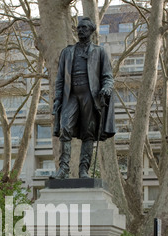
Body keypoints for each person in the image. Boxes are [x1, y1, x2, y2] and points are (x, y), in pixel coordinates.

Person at [51, 17, 115, 179]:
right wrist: (57, 100)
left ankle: (83, 170)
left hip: (90, 95)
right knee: (65, 128)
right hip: (70, 95)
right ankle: (63, 169)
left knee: (89, 133)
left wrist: (106, 87)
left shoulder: (100, 52)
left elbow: (108, 76)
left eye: (84, 27)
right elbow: (59, 80)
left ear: (92, 31)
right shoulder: (67, 52)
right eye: (79, 28)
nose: (80, 30)